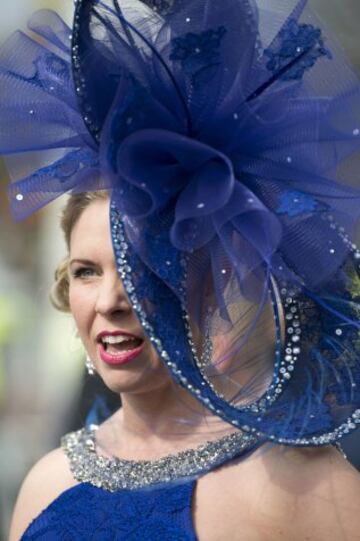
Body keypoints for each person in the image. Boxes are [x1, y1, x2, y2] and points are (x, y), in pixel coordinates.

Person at [2, 0, 360, 538]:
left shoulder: (295, 487)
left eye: (140, 268)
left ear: (208, 283)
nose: (110, 302)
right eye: (85, 272)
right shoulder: (46, 485)